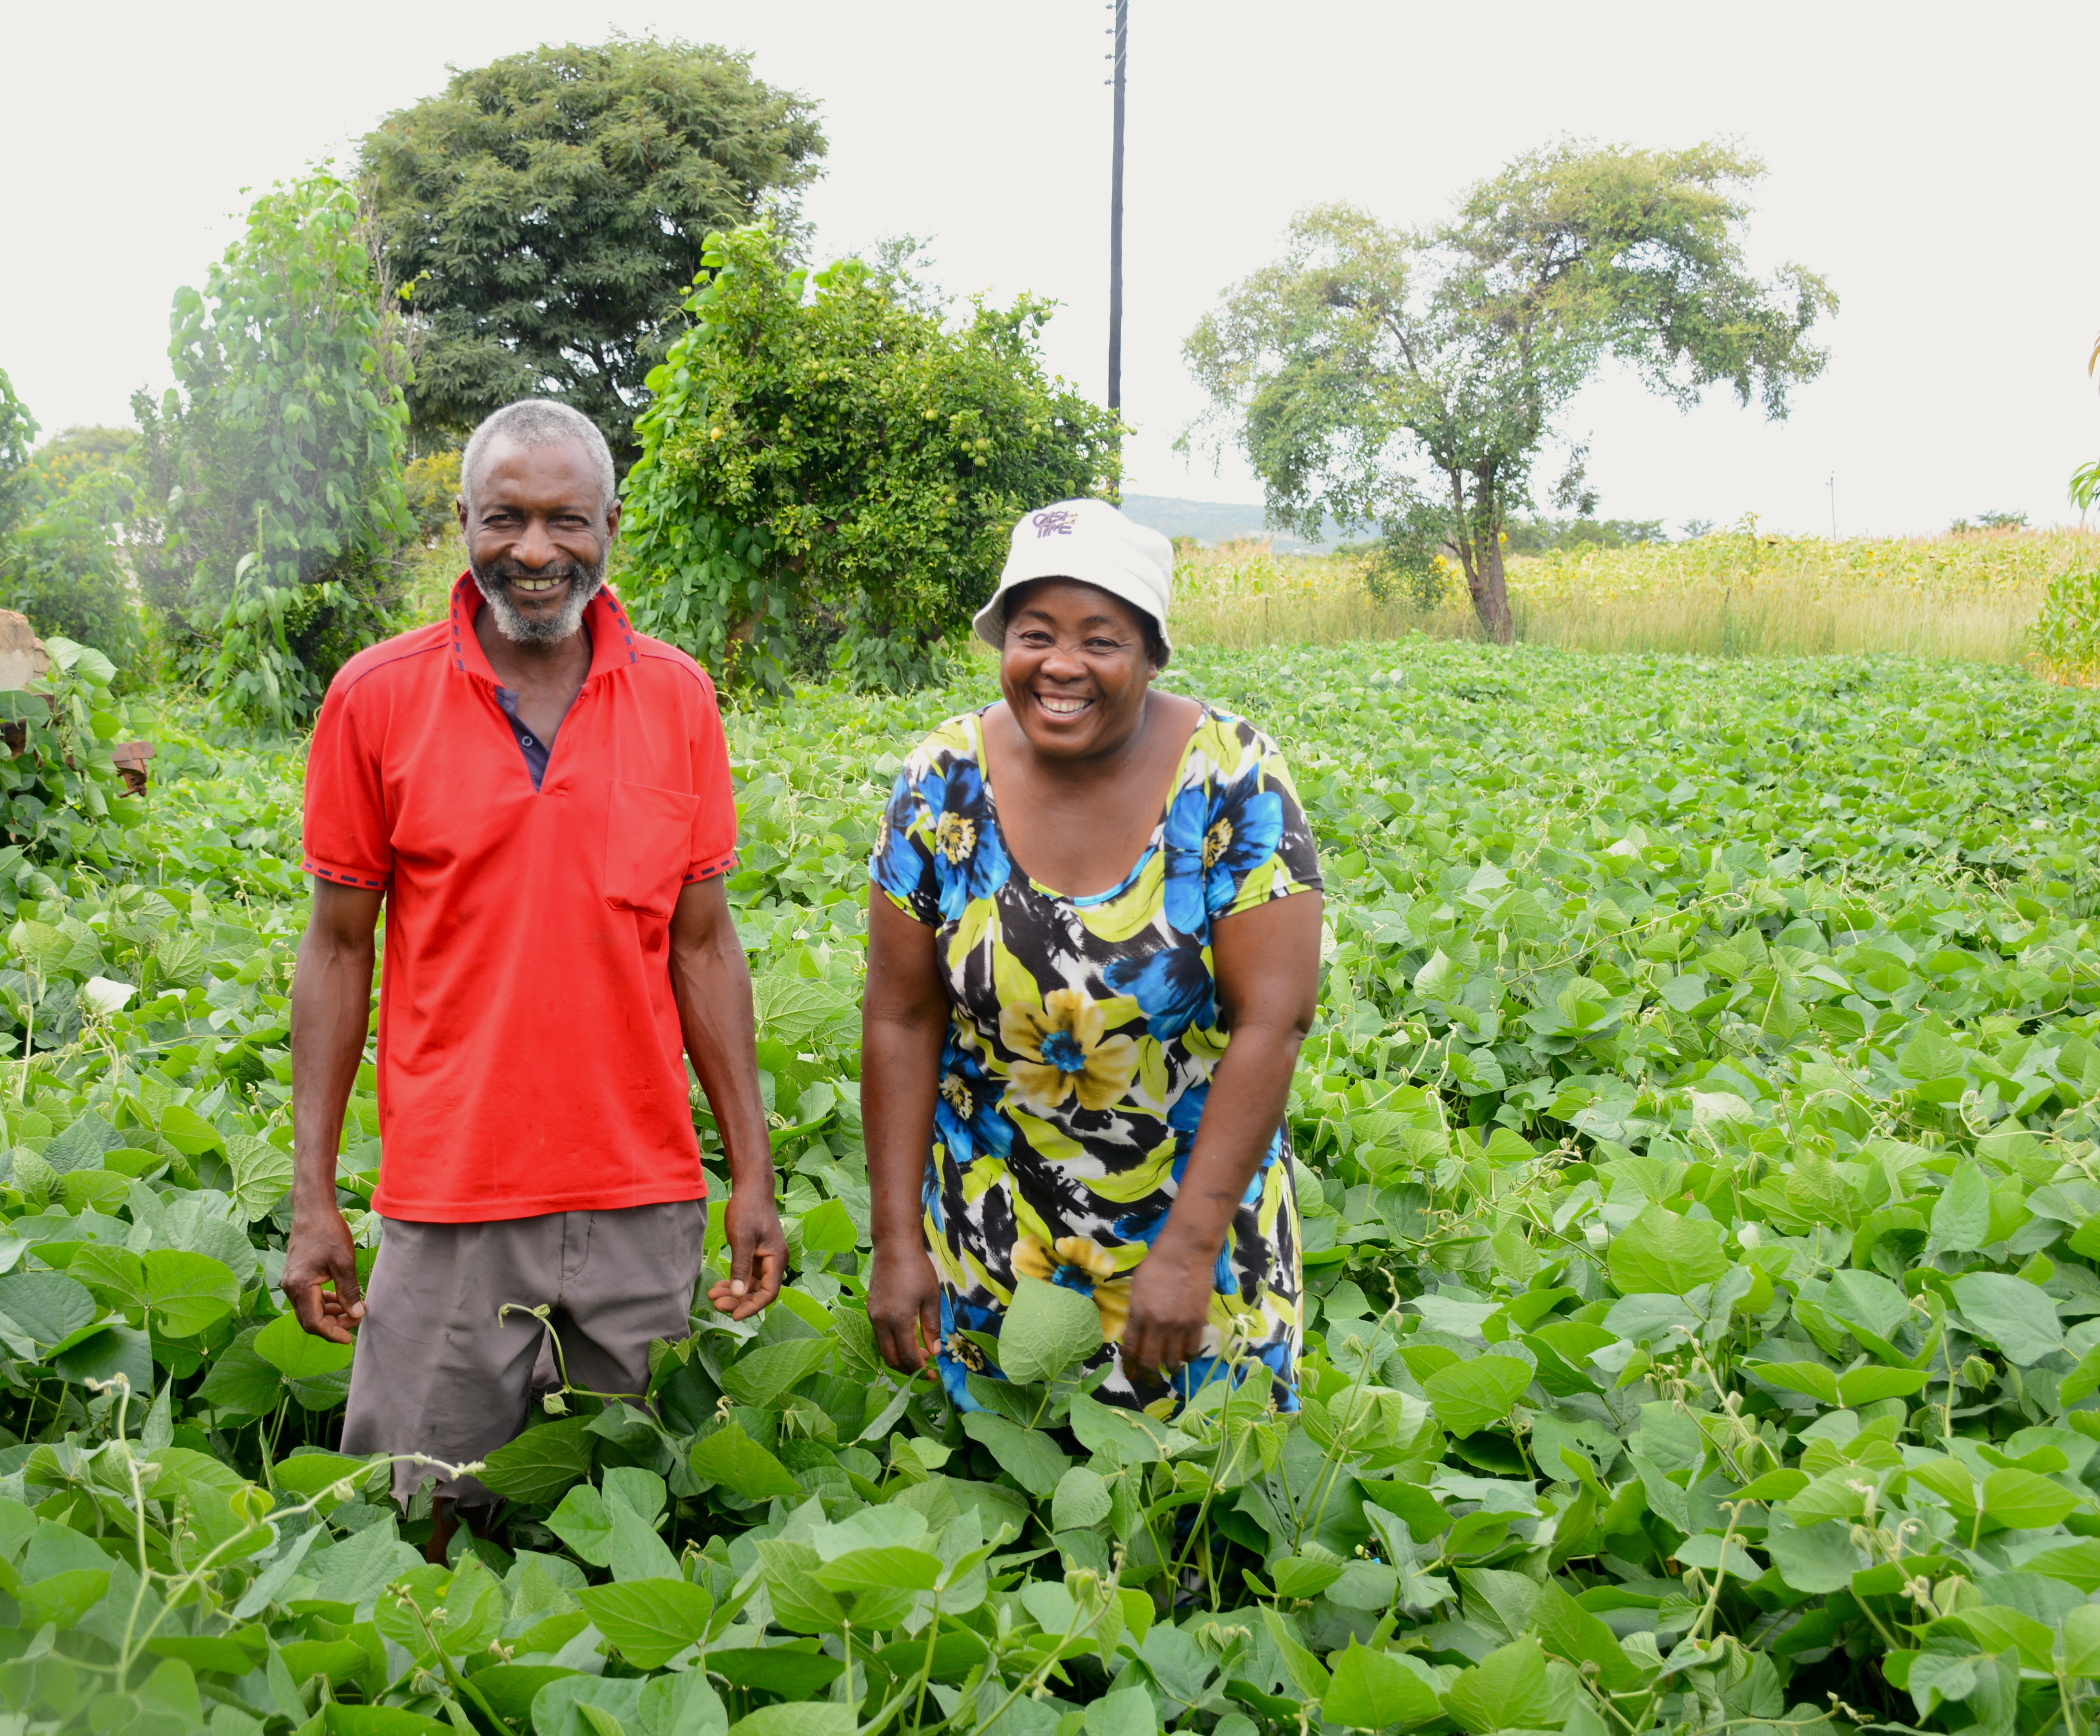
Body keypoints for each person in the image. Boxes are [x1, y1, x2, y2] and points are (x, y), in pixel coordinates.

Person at [284, 398, 785, 1561]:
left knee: (638, 1526)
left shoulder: (676, 696)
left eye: (566, 519)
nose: (535, 550)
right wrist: (315, 1196)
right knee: (412, 1530)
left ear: (611, 524)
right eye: (504, 518)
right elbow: (338, 947)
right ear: (462, 520)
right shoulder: (376, 695)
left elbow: (703, 944)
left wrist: (748, 1170)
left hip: (643, 1197)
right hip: (451, 1198)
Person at [861, 498, 1324, 1413]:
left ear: (1152, 654)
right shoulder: (943, 779)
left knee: (1197, 1516)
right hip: (991, 1237)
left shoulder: (1231, 775)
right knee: (1012, 1510)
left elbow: (1275, 1020)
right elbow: (900, 1014)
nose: (1061, 665)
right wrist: (896, 1244)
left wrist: (1190, 1250)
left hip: (1198, 1232)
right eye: (1035, 633)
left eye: (1101, 639)